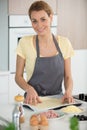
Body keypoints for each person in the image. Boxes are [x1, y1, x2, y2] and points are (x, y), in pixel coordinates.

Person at [15, 0, 74, 105]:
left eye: (43, 19)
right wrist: (29, 89)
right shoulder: (24, 42)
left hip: (58, 101)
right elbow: (18, 77)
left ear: (51, 18)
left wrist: (68, 91)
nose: (39, 25)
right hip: (33, 101)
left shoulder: (65, 43)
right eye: (34, 21)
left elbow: (68, 76)